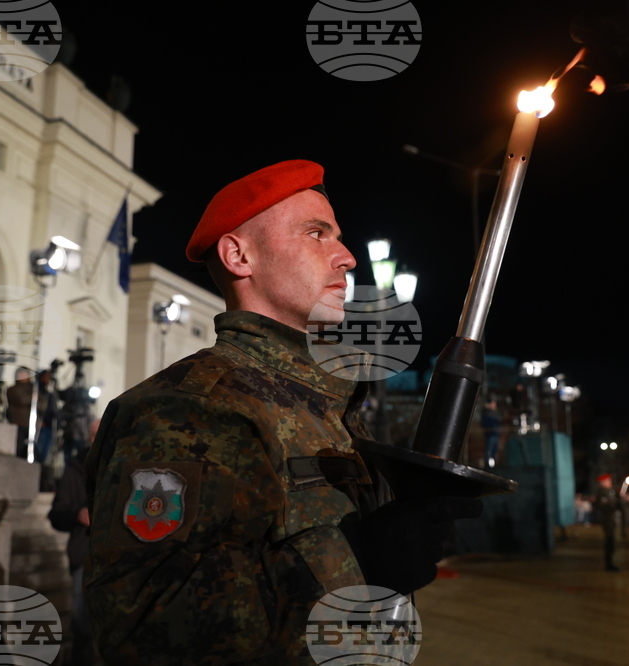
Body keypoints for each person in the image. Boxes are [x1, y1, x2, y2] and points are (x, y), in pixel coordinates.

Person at [84, 160, 482, 664]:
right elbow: (144, 628)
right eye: (317, 234)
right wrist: (358, 560)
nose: (347, 257)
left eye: (338, 235)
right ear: (238, 255)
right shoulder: (187, 408)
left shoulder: (325, 402)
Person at [48, 419, 101, 665]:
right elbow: (57, 514)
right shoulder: (76, 468)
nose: (97, 439)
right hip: (85, 554)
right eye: (93, 435)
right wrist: (77, 514)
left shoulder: (125, 466)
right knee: (81, 621)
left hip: (117, 555)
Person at [593, 473, 622, 571]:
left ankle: (610, 562)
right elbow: (604, 506)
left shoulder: (609, 492)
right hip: (607, 519)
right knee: (609, 541)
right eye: (608, 481)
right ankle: (609, 563)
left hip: (611, 519)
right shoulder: (602, 493)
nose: (610, 482)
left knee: (611, 541)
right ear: (603, 482)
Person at [481, 399, 502, 468]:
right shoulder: (487, 413)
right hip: (490, 434)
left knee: (495, 450)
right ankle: (488, 465)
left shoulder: (495, 413)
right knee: (489, 450)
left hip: (496, 434)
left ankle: (493, 464)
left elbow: (499, 422)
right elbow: (484, 423)